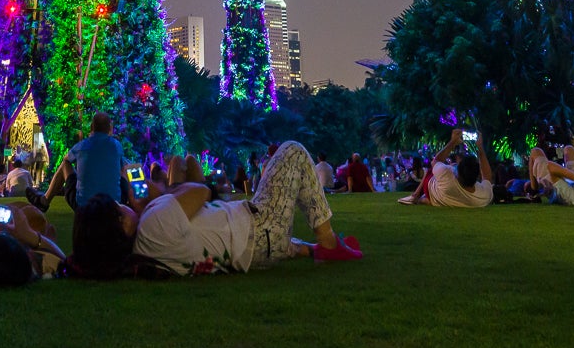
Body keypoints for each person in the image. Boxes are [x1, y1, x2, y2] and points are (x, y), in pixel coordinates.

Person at [133, 144, 362, 274]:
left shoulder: (147, 239)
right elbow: (201, 192)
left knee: (184, 164)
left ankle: (315, 250)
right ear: (119, 221)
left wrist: (157, 193)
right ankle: (328, 243)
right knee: (294, 151)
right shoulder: (154, 223)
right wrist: (166, 191)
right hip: (257, 230)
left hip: (253, 240)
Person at [69, 113, 129, 209]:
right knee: (125, 168)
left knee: (65, 164)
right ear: (110, 128)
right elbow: (123, 167)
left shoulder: (82, 146)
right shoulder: (116, 145)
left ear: (92, 127)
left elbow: (67, 159)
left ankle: (46, 199)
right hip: (114, 203)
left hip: (83, 205)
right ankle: (136, 201)